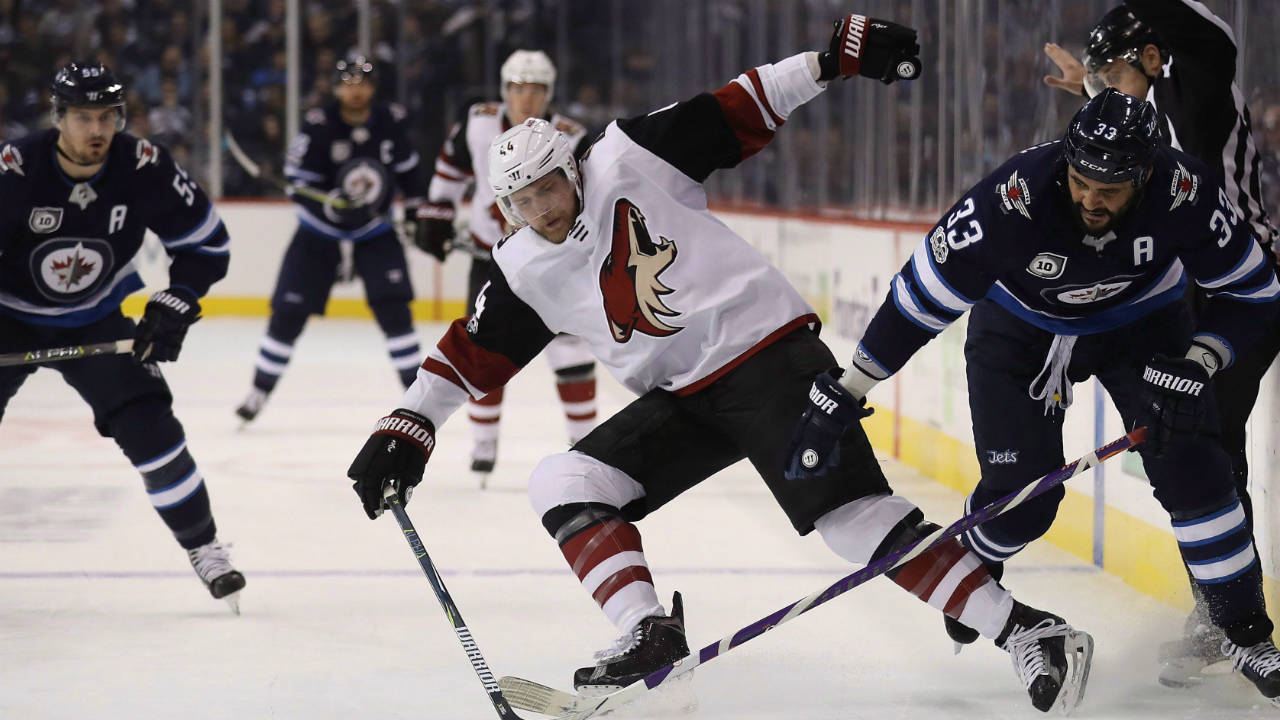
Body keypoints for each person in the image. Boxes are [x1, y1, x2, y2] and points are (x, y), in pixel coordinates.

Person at [348, 15, 1097, 714]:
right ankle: (652, 639)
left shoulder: (624, 155)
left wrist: (832, 60)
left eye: (548, 186)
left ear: (569, 167)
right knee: (565, 481)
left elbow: (737, 106)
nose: (542, 209)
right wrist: (409, 422)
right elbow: (470, 354)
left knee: (851, 520)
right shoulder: (522, 265)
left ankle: (1030, 631)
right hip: (685, 396)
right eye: (521, 202)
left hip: (765, 356)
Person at [792, 87, 1280, 705]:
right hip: (1018, 330)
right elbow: (917, 301)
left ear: (1146, 174)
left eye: (1110, 190)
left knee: (1197, 469)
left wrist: (1198, 360)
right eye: (1080, 181)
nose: (1090, 199)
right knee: (1023, 499)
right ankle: (974, 557)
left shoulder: (1183, 191)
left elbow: (1254, 293)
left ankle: (1242, 632)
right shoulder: (1011, 200)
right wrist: (846, 389)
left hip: (1143, 326)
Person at [1043, 1, 1280, 685]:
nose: (1109, 94)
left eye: (1116, 74)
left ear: (1150, 58)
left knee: (1206, 437)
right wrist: (1092, 82)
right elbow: (1139, 114)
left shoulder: (1197, 83)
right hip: (1202, 293)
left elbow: (1209, 38)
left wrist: (1139, 23)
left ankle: (1224, 617)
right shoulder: (1147, 111)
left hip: (1251, 283)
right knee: (1194, 443)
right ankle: (1220, 609)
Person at [0, 62, 245, 612]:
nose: (96, 130)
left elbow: (207, 243)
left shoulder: (143, 166)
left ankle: (205, 548)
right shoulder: (15, 169)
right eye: (82, 117)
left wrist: (178, 297)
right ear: (57, 116)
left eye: (107, 116)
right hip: (7, 313)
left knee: (151, 426)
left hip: (96, 312)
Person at [412, 49, 597, 483]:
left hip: (556, 259)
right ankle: (483, 446)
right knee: (486, 346)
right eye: (517, 88)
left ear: (549, 93)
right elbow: (451, 170)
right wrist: (436, 211)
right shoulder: (478, 124)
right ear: (504, 90)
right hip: (491, 258)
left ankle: (586, 441)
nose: (526, 98)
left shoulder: (570, 135)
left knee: (569, 348)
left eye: (535, 90)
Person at [236, 53, 428, 423]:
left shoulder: (391, 122)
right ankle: (259, 390)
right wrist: (329, 206)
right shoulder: (318, 124)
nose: (355, 92)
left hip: (375, 231)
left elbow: (411, 176)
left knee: (395, 311)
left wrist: (418, 215)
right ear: (337, 88)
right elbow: (298, 185)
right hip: (318, 233)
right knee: (288, 314)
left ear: (373, 88)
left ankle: (418, 397)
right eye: (349, 84)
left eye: (363, 84)